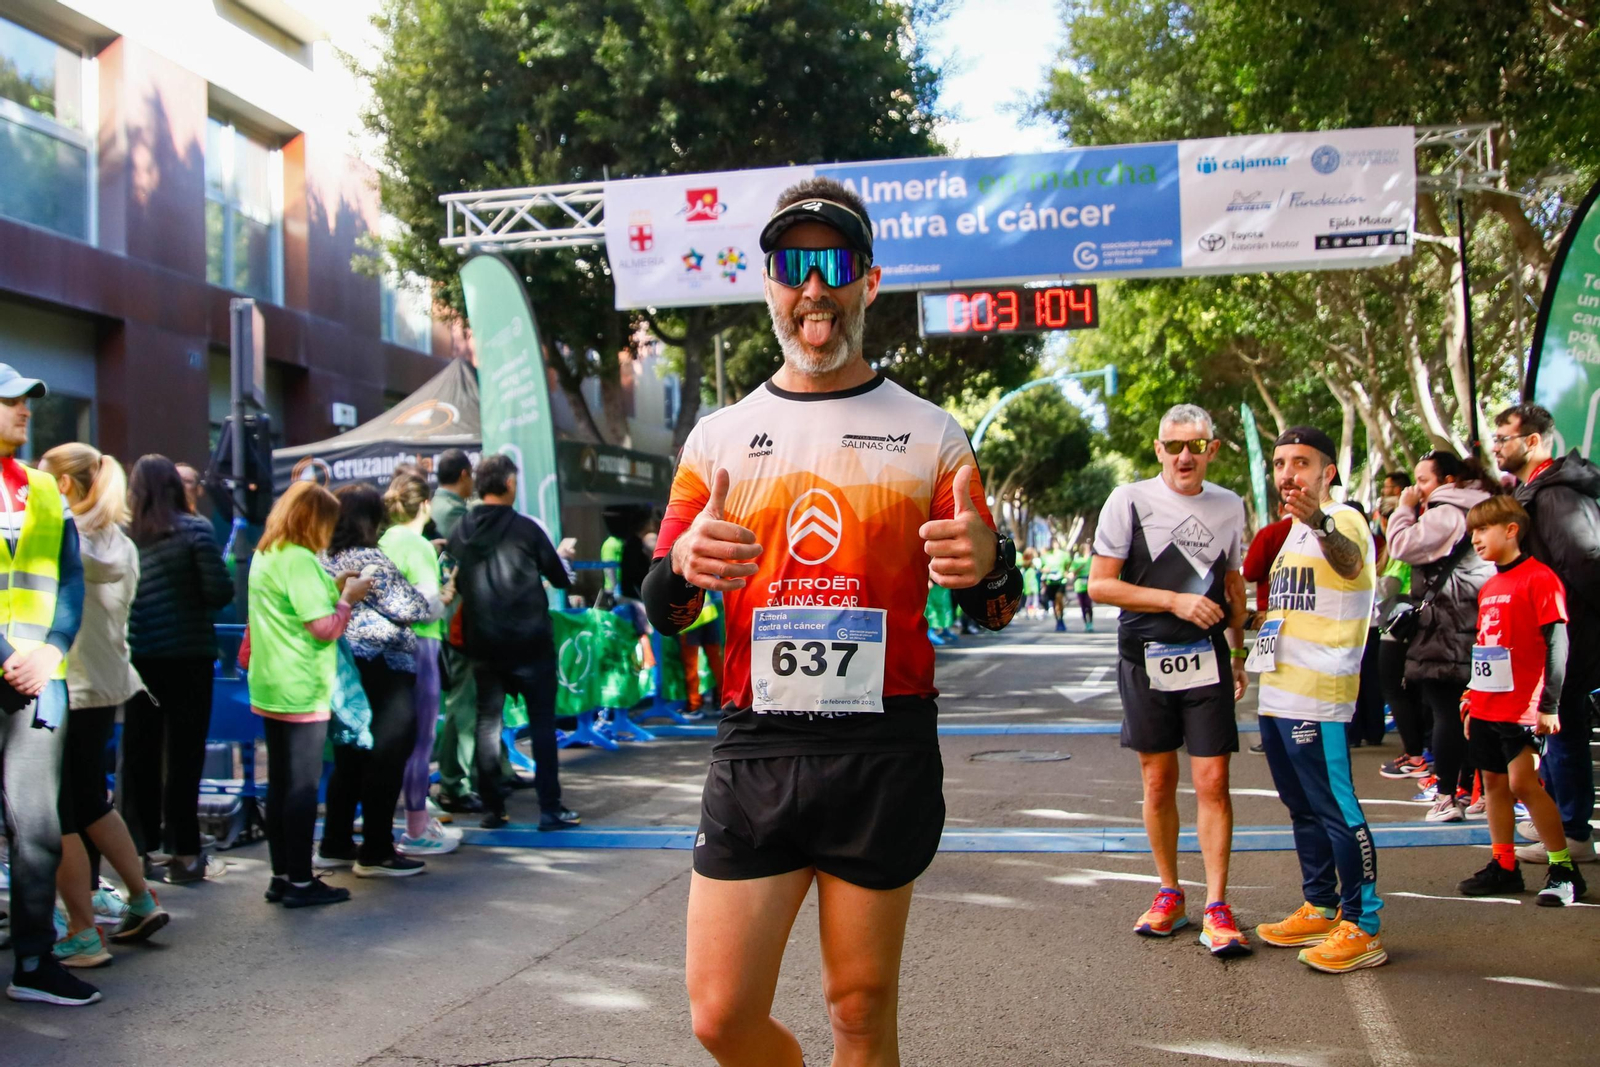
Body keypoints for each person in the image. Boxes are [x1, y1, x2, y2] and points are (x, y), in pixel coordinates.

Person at [643, 177, 1021, 1067]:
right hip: (756, 744)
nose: (813, 287)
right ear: (769, 283)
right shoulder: (717, 438)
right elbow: (665, 606)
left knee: (859, 1007)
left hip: (880, 746)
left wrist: (990, 562)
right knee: (720, 1014)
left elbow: (992, 606)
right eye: (793, 266)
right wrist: (683, 568)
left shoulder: (932, 433)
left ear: (869, 282)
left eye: (834, 264)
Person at [1088, 403, 1251, 957]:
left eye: (1196, 445)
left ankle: (1217, 904)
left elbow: (1233, 588)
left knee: (1213, 782)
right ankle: (1169, 892)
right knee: (1158, 782)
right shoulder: (1128, 500)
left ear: (1213, 449)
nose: (1185, 455)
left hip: (1205, 659)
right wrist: (1176, 600)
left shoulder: (1230, 506)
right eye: (1174, 445)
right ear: (1158, 450)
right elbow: (1101, 586)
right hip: (1143, 656)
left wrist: (1238, 653)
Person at [1250, 426, 1386, 973]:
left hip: (1318, 695)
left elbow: (1351, 563)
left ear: (1327, 472)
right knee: (1301, 807)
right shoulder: (1289, 535)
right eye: (1281, 463)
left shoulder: (1342, 518)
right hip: (1278, 691)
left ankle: (1363, 924)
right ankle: (1322, 905)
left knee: (1336, 809)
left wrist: (1321, 521)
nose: (1288, 473)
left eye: (1301, 462)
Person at [38, 445, 168, 969]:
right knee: (91, 799)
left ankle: (81, 931)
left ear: (65, 486)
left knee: (59, 810)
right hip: (110, 681)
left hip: (67, 682)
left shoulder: (60, 537)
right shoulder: (120, 541)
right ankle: (140, 896)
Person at [0, 365, 96, 1006]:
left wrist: (52, 650)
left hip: (39, 682)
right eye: (10, 400)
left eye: (27, 400)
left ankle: (34, 961)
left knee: (36, 827)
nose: (25, 410)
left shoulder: (42, 490)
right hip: (23, 671)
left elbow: (71, 581)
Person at [1454, 495, 1586, 904]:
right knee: (1492, 783)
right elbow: (1486, 645)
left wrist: (1549, 704)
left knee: (1523, 783)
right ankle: (1504, 865)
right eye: (1472, 531)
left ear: (1511, 530)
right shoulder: (1490, 585)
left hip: (1524, 706)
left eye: (1483, 530)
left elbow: (1556, 643)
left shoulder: (1539, 578)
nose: (1475, 539)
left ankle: (1563, 868)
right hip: (1488, 704)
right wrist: (1471, 696)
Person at [246, 482, 372, 908]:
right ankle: (301, 881)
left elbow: (291, 608)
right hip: (303, 686)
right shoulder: (299, 559)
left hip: (270, 683)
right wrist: (349, 600)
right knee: (300, 789)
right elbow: (324, 628)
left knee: (279, 786)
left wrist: (333, 587)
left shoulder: (267, 554)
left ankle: (282, 875)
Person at [447, 453, 578, 831]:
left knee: (488, 723)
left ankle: (493, 809)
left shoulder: (460, 530)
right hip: (529, 641)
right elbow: (560, 578)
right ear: (508, 484)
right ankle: (550, 809)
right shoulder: (525, 529)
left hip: (482, 643)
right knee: (541, 724)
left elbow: (449, 573)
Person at [1492, 403, 1599, 864]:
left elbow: (1586, 561)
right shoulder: (1543, 489)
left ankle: (1572, 831)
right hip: (1563, 633)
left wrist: (1561, 624)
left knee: (1563, 724)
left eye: (1503, 439)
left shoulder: (1555, 494)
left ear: (1532, 441)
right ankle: (1564, 825)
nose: (1496, 447)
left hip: (1571, 634)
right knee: (1561, 725)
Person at [121, 455, 235, 883]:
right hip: (189, 656)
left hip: (138, 659)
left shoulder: (124, 534)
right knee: (185, 756)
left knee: (139, 754)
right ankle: (185, 854)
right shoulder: (196, 530)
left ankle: (138, 851)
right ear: (175, 486)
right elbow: (218, 592)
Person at [317, 484, 431, 877]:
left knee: (350, 756)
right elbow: (414, 607)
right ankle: (377, 850)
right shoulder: (370, 560)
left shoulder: (323, 557)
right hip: (385, 667)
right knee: (388, 754)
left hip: (345, 666)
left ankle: (334, 842)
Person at [1386, 451, 1495, 822]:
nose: (1417, 489)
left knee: (1446, 712)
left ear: (1449, 481)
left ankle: (1449, 794)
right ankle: (1479, 791)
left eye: (1423, 480)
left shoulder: (1447, 511)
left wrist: (1403, 509)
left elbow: (1401, 545)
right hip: (1479, 620)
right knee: (1475, 712)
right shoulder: (1485, 506)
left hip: (1446, 626)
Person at [380, 473, 458, 856]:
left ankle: (394, 823)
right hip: (422, 645)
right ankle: (416, 826)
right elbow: (427, 605)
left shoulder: (382, 540)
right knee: (422, 739)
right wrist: (445, 596)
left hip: (383, 648)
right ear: (425, 504)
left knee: (391, 741)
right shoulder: (418, 545)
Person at [431, 449, 486, 814]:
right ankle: (453, 782)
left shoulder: (446, 508)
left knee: (473, 703)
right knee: (463, 705)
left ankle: (477, 775)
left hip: (455, 617)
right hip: (456, 619)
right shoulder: (451, 512)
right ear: (465, 474)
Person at [1373, 472, 1427, 780]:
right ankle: (1417, 752)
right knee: (1403, 692)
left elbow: (1390, 587)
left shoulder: (1404, 546)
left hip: (1400, 626)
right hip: (1393, 624)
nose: (1385, 522)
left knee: (1397, 690)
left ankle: (1416, 754)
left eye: (1389, 517)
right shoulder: (1396, 547)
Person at [1041, 538, 1069, 631]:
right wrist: (1045, 570)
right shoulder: (1046, 556)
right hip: (1051, 581)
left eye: (1056, 543)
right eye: (1052, 543)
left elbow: (1068, 565)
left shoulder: (1064, 555)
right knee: (1054, 603)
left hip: (1061, 581)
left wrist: (1066, 572)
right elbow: (1041, 567)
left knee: (1059, 599)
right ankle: (1058, 620)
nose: (1054, 545)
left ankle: (1061, 616)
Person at [1070, 541, 1095, 631]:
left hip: (1089, 583)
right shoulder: (1077, 561)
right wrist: (1079, 568)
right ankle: (1086, 623)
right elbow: (1072, 573)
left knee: (1089, 604)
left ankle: (1091, 622)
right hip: (1079, 584)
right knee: (1083, 605)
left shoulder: (1092, 559)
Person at [1020, 546, 1040, 619]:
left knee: (1031, 600)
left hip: (1031, 586)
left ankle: (1031, 613)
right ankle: (1030, 613)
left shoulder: (1026, 570)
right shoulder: (1029, 570)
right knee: (1031, 600)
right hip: (1031, 586)